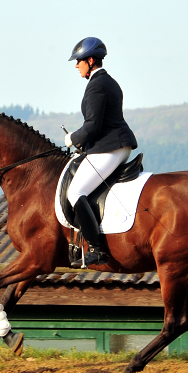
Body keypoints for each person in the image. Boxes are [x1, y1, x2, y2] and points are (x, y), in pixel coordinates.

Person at [64, 37, 138, 266]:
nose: (76, 65)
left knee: (75, 193)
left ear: (91, 60)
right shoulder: (108, 82)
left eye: (79, 61)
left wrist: (72, 139)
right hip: (113, 145)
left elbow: (93, 125)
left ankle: (97, 249)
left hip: (110, 148)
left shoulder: (97, 85)